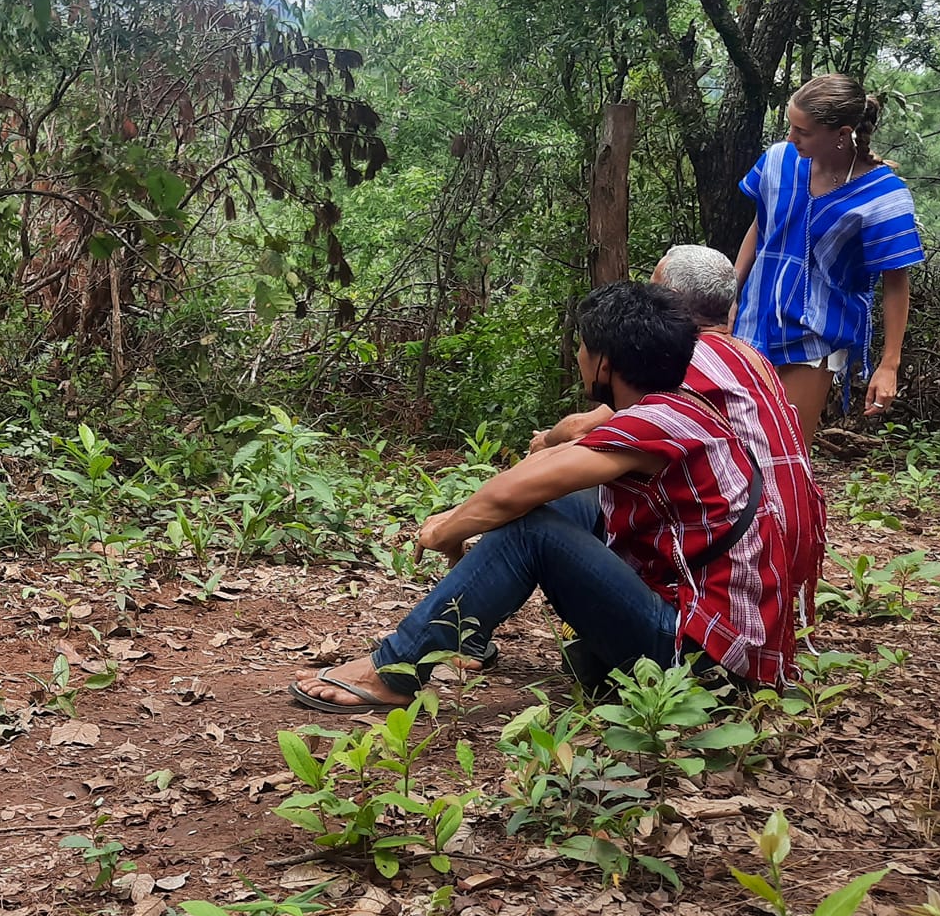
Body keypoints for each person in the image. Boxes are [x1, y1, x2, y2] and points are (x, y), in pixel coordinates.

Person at [289, 282, 796, 712]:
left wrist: (446, 529)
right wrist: (470, 514)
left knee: (532, 529)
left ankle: (395, 670)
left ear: (603, 363)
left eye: (582, 346)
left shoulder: (655, 422)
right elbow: (548, 467)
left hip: (701, 654)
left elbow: (519, 491)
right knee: (554, 508)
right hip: (716, 632)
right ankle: (464, 632)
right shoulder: (678, 408)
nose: (577, 355)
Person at [516, 244, 823, 669]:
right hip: (775, 560)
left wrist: (543, 446)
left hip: (728, 577)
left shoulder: (680, 362)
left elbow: (585, 430)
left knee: (542, 510)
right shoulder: (752, 357)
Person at [732, 74, 923, 445]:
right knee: (734, 445)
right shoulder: (777, 161)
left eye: (802, 131)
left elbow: (895, 284)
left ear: (841, 133)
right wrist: (729, 293)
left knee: (781, 451)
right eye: (790, 126)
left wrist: (889, 364)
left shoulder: (882, 195)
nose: (791, 138)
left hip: (814, 335)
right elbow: (761, 224)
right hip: (750, 323)